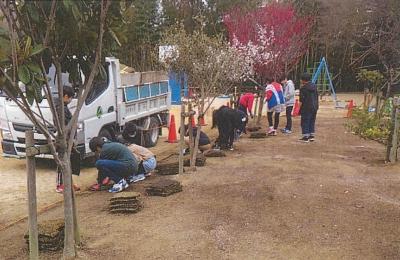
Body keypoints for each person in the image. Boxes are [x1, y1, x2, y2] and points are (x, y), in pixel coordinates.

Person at [55, 85, 81, 193]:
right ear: (66, 96)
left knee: (71, 160)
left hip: (69, 138)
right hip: (64, 138)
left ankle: (69, 182)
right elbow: (64, 124)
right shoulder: (60, 107)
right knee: (63, 161)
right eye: (70, 98)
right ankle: (60, 184)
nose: (70, 100)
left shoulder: (63, 106)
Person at [299, 73, 319, 142]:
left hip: (306, 107)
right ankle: (311, 135)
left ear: (303, 80)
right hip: (314, 107)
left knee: (305, 121)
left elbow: (301, 100)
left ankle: (305, 136)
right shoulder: (314, 86)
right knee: (312, 121)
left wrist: (299, 109)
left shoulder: (303, 88)